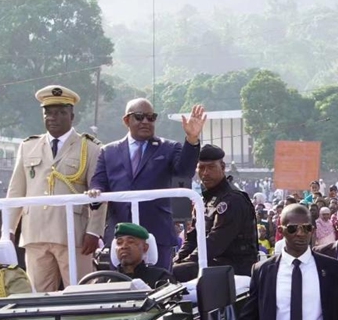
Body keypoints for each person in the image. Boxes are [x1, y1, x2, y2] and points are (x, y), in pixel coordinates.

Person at [5, 85, 107, 292]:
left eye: (61, 112)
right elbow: (16, 191)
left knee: (81, 295)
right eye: (48, 113)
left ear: (72, 116)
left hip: (73, 234)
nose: (54, 118)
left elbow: (99, 192)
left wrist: (94, 231)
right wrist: (8, 229)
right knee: (39, 297)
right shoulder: (28, 147)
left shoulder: (90, 147)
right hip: (35, 233)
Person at [87, 99, 205, 270]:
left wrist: (192, 138)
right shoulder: (108, 151)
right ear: (126, 120)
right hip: (120, 236)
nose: (145, 122)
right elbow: (99, 181)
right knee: (123, 287)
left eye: (151, 118)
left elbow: (184, 172)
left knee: (159, 287)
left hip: (157, 232)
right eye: (139, 117)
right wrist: (95, 193)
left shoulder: (168, 148)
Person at [172, 144, 257, 282]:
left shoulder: (232, 200)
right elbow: (192, 239)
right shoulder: (204, 200)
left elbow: (215, 242)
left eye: (211, 167)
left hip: (235, 268)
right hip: (212, 263)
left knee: (176, 273)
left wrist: (184, 264)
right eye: (201, 167)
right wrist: (178, 259)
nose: (205, 173)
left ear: (222, 167)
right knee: (167, 270)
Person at [108, 223, 175, 288]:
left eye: (131, 242)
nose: (124, 246)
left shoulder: (160, 277)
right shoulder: (106, 280)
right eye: (119, 243)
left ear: (145, 247)